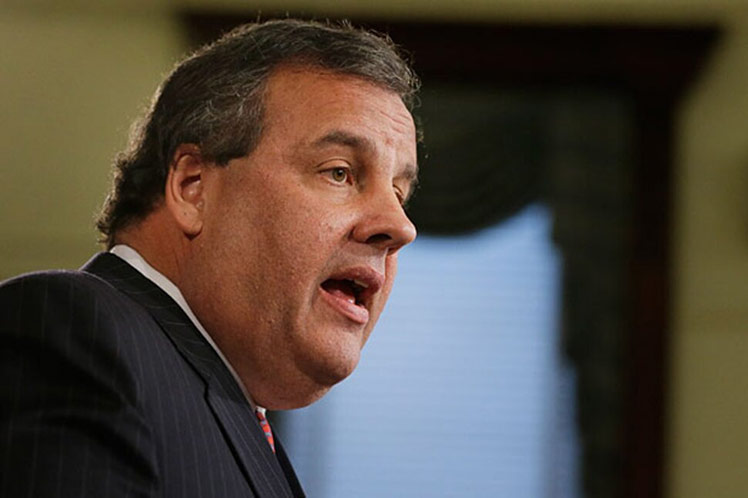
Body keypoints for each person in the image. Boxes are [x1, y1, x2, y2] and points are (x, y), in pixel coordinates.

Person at [0, 19, 419, 497]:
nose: (400, 227)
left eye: (400, 194)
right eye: (339, 172)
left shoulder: (232, 408)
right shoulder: (75, 335)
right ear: (192, 187)